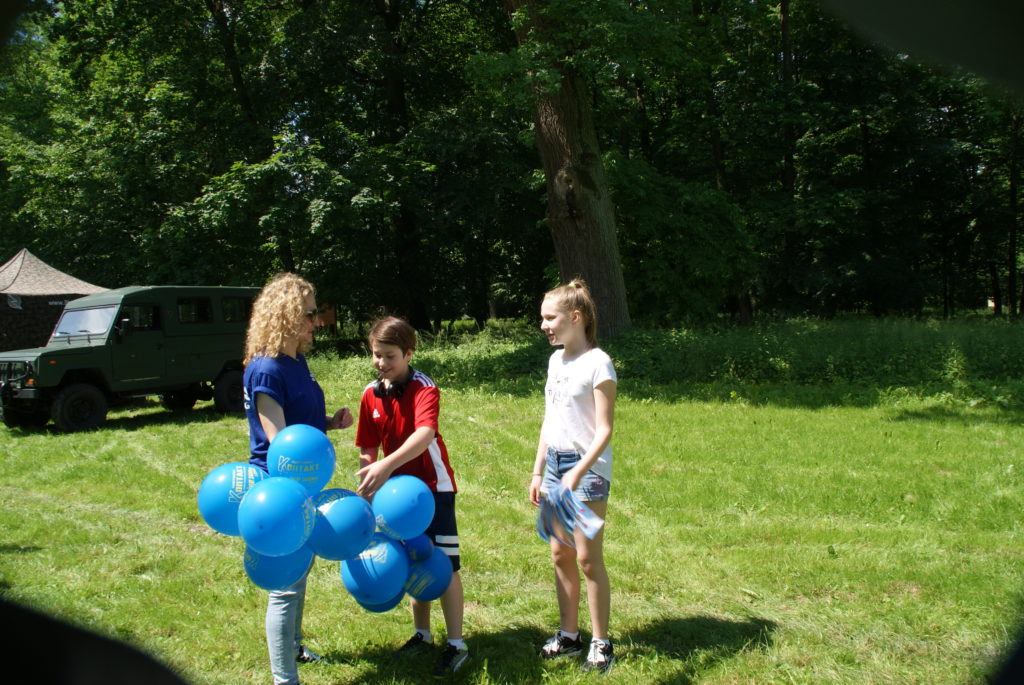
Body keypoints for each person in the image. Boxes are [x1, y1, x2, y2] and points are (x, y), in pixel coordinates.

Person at [242, 272, 353, 685]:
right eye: (308, 313)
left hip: (302, 481)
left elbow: (298, 423)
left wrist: (329, 423)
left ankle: (295, 647)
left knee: (300, 572)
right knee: (285, 585)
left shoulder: (295, 362)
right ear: (285, 315)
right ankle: (284, 679)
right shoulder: (266, 369)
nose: (316, 321)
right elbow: (280, 443)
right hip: (279, 487)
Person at [354, 316, 468, 676]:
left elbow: (424, 434)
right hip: (394, 497)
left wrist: (386, 465)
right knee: (413, 559)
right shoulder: (370, 394)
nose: (382, 363)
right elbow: (367, 446)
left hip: (433, 490)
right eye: (377, 355)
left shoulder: (424, 387)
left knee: (445, 565)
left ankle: (456, 643)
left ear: (408, 353)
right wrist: (369, 481)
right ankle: (422, 634)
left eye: (390, 356)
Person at [529, 279, 617, 674]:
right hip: (555, 469)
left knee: (586, 558)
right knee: (559, 553)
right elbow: (551, 420)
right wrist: (539, 470)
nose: (544, 325)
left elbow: (604, 430)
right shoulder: (555, 362)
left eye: (551, 318)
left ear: (576, 317)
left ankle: (601, 641)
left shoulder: (599, 363)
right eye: (543, 318)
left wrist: (577, 472)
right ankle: (569, 635)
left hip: (588, 472)